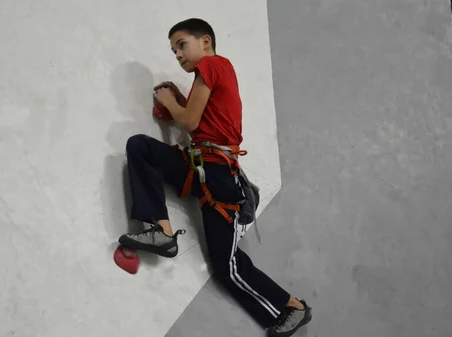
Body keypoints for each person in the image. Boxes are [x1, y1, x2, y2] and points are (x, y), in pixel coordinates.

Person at [118, 18, 312, 336]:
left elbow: (192, 122)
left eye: (182, 45)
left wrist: (171, 103)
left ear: (205, 42)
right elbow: (202, 123)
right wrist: (177, 105)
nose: (178, 55)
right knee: (141, 147)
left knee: (226, 265)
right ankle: (160, 230)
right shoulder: (207, 78)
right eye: (173, 51)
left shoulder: (214, 64)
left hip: (220, 174)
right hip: (202, 168)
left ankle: (291, 308)